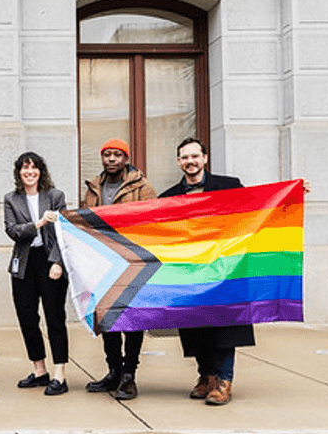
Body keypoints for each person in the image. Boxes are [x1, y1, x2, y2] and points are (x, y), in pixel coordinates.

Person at [158, 137, 253, 406]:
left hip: (225, 272)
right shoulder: (168, 198)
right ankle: (206, 377)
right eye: (184, 157)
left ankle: (224, 381)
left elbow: (259, 208)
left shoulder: (229, 186)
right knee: (195, 327)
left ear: (205, 158)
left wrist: (292, 193)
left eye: (194, 156)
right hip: (191, 274)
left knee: (224, 328)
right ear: (179, 162)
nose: (190, 161)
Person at [82, 138, 156, 401]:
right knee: (108, 318)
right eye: (107, 155)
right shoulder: (93, 187)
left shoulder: (143, 186)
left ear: (125, 159)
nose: (112, 159)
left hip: (132, 262)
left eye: (117, 155)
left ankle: (129, 376)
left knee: (132, 320)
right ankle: (113, 371)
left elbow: (151, 221)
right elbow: (84, 223)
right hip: (103, 264)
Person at [3, 152, 70, 396]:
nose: (29, 172)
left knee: (54, 318)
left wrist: (57, 263)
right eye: (24, 168)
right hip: (23, 263)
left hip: (49, 260)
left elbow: (64, 233)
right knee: (27, 318)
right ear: (19, 172)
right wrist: (39, 224)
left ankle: (59, 375)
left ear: (41, 171)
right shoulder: (11, 199)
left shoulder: (55, 196)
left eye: (34, 168)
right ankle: (40, 370)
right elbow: (13, 231)